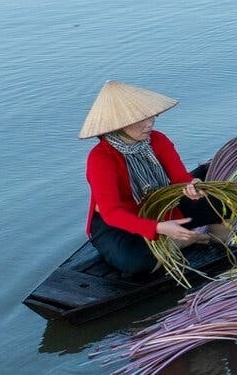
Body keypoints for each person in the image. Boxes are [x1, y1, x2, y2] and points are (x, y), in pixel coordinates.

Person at [79, 81, 227, 278]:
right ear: (119, 126)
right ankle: (183, 241)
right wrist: (158, 228)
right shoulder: (100, 158)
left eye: (151, 117)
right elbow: (111, 212)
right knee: (137, 264)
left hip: (162, 205)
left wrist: (192, 186)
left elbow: (180, 179)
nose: (149, 123)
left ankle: (222, 258)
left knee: (222, 206)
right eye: (141, 120)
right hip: (117, 223)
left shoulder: (157, 140)